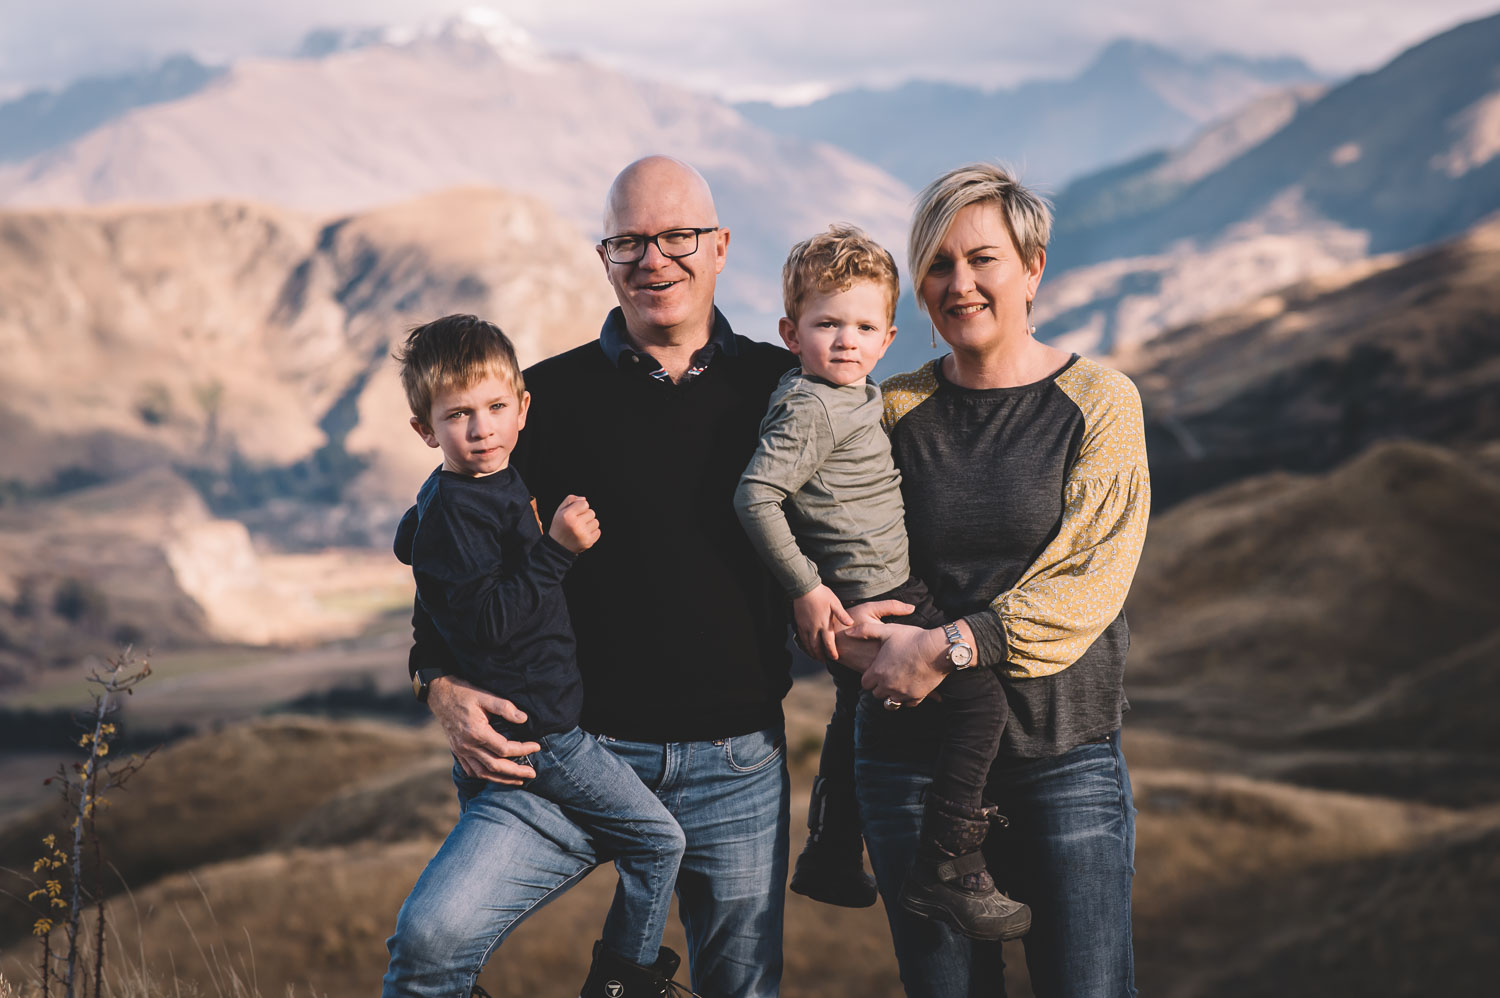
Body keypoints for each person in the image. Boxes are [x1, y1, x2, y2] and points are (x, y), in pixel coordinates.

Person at [398, 157, 800, 998]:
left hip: (737, 768)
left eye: (677, 237)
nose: (654, 259)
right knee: (433, 943)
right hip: (570, 755)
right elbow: (449, 570)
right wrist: (437, 682)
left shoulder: (782, 390)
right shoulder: (540, 400)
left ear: (720, 246)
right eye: (629, 241)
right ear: (605, 257)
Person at [843, 163, 1150, 998]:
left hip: (1063, 760)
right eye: (938, 265)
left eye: (983, 259)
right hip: (912, 762)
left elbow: (1091, 578)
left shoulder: (1100, 401)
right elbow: (843, 534)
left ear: (1033, 268)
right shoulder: (891, 409)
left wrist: (952, 645)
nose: (960, 283)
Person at [733, 224, 1029, 942]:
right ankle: (950, 859)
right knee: (980, 700)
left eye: (863, 326)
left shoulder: (852, 392)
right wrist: (806, 587)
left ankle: (832, 853)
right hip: (880, 591)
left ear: (889, 336)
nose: (845, 341)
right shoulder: (810, 406)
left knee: (855, 714)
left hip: (878, 584)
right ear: (790, 332)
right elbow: (754, 495)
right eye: (826, 324)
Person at [381, 314, 689, 996]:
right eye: (458, 416)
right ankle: (622, 984)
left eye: (495, 408)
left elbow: (416, 545)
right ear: (425, 430)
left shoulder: (476, 484)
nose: (481, 429)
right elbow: (489, 625)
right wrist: (556, 550)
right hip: (546, 738)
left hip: (547, 727)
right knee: (659, 843)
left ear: (523, 409)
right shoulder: (458, 507)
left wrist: (422, 538)